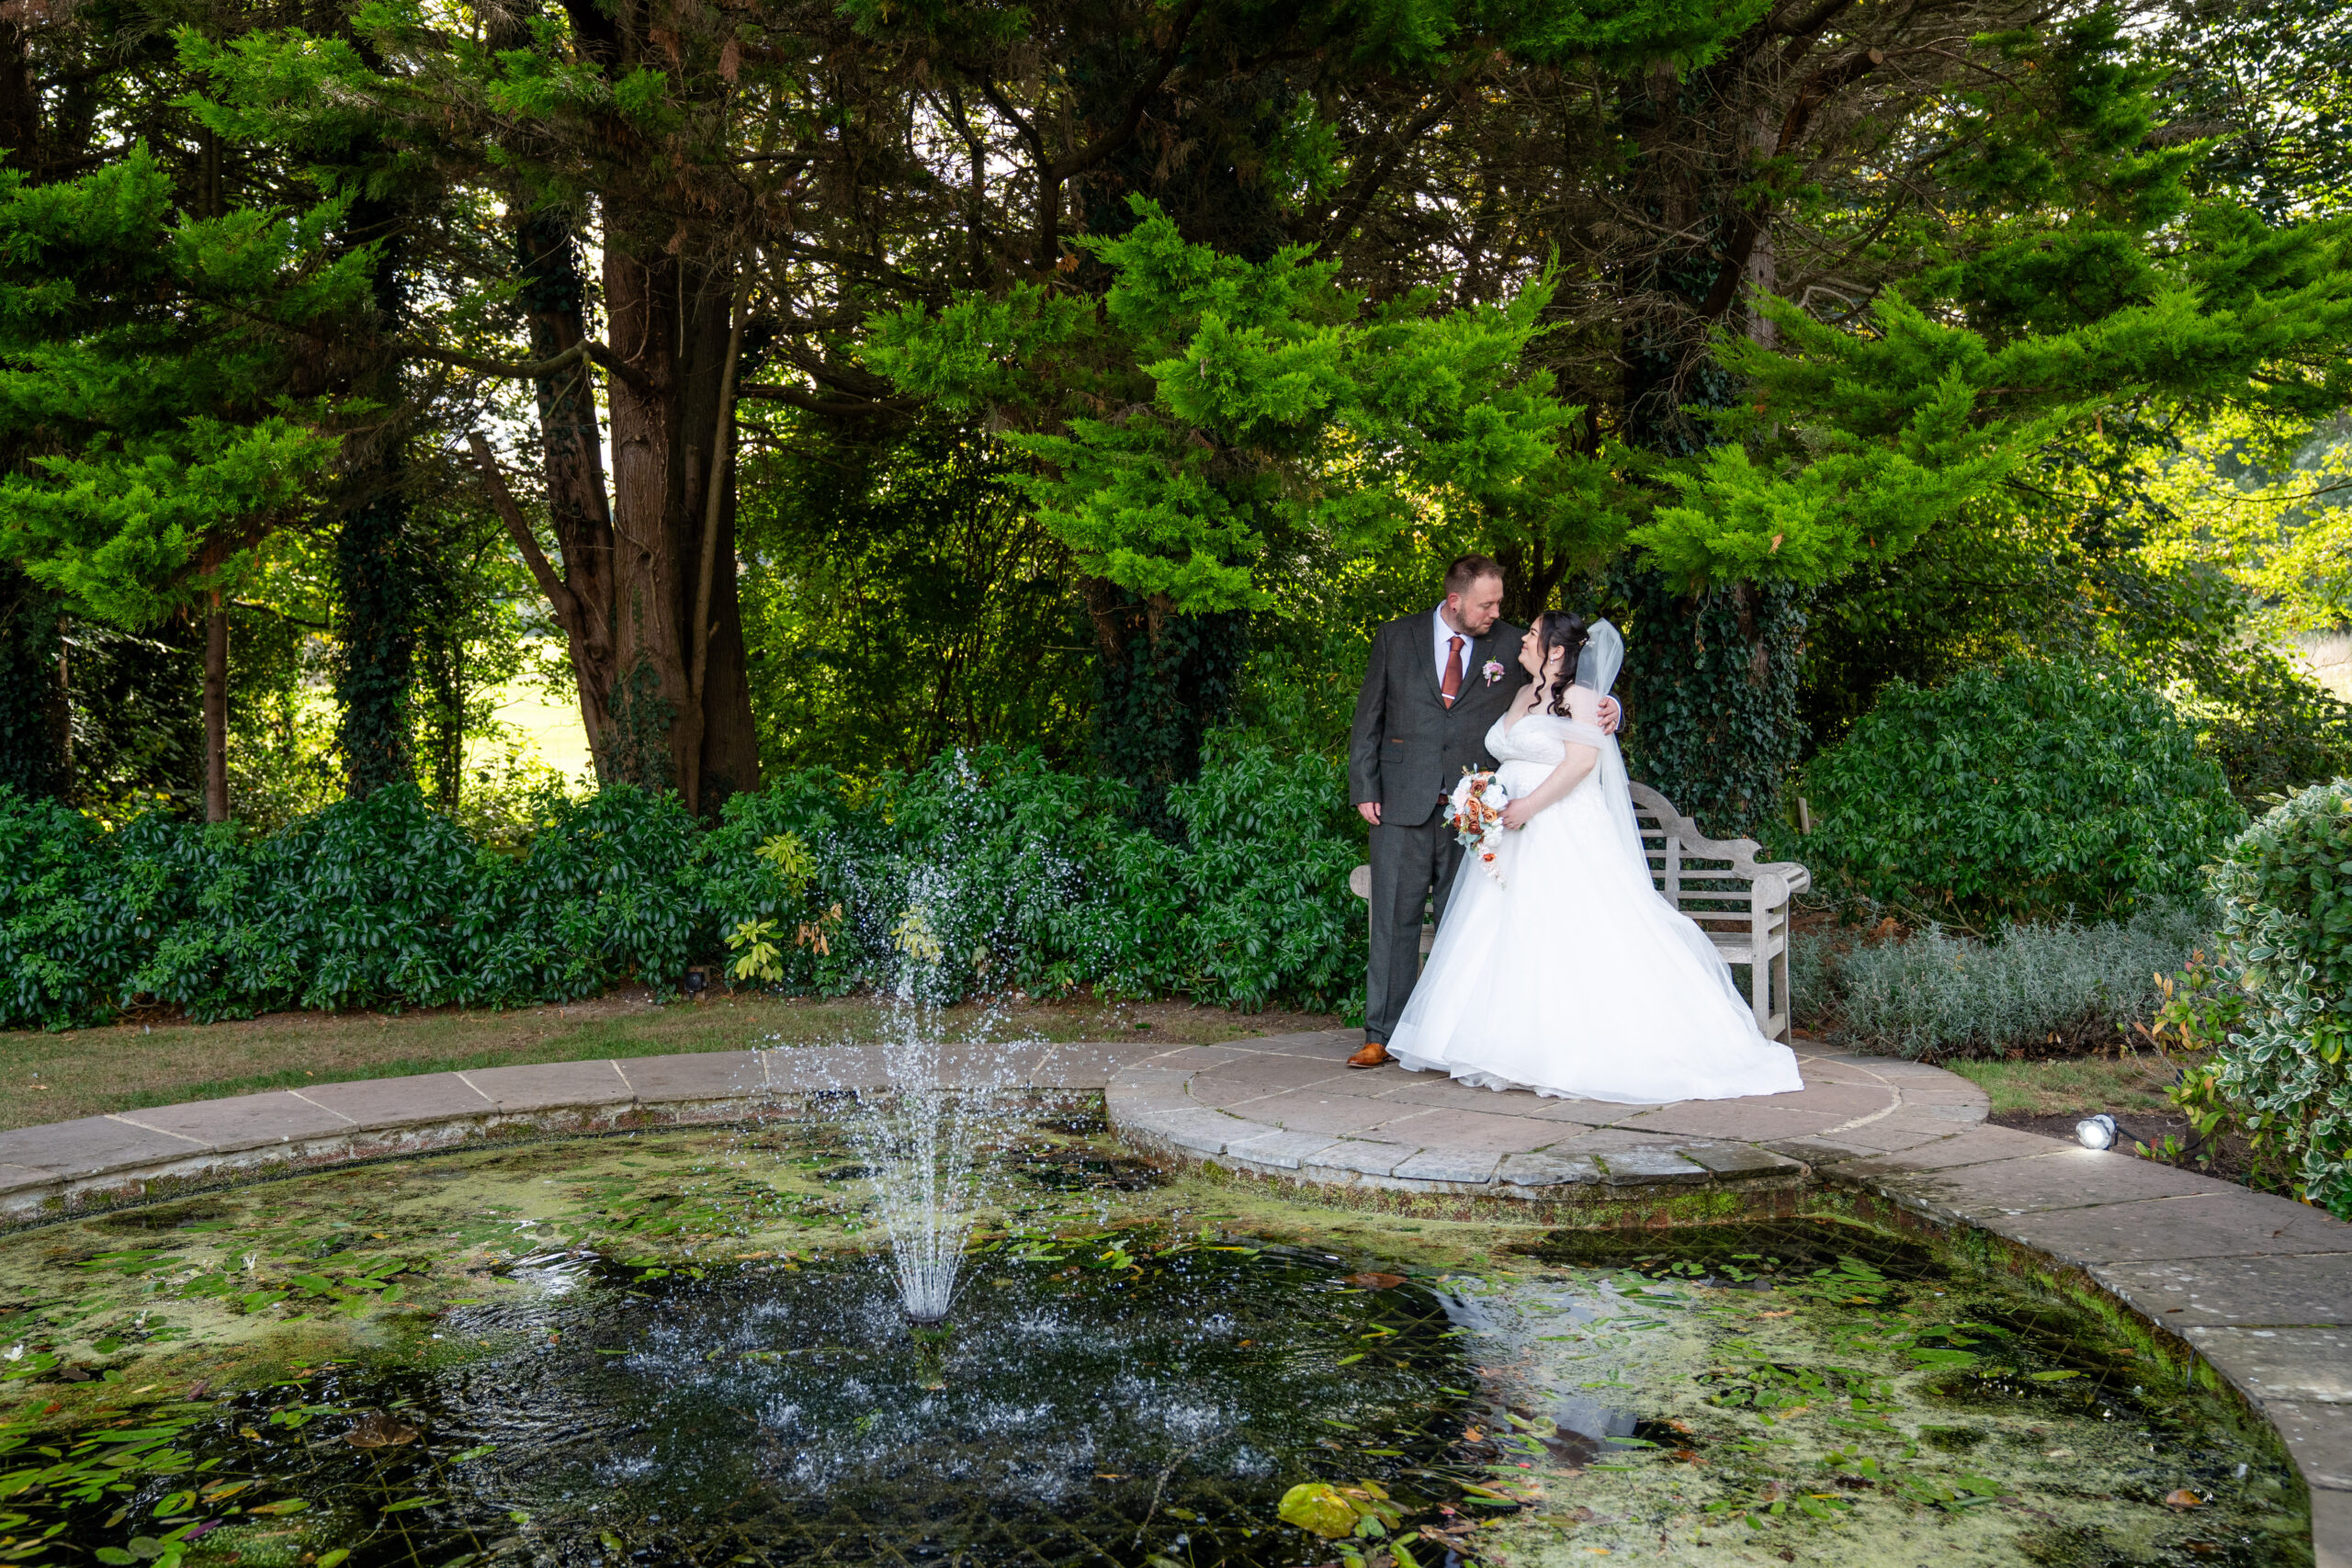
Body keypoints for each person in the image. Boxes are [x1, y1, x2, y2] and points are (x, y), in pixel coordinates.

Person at [1385, 611, 1804, 1102]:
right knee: (1504, 933)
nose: (1523, 639)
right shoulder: (1521, 693)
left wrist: (1527, 806)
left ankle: (1565, 1049)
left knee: (1568, 931)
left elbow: (1583, 761)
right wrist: (1487, 799)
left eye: (1533, 635)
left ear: (1556, 650)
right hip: (1509, 838)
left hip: (1559, 828)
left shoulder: (1579, 698)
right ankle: (1501, 1043)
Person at [1344, 556, 1616, 1068]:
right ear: (1455, 601)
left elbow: (1563, 683)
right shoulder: (1395, 637)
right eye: (1486, 604)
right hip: (1400, 799)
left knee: (1463, 926)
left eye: (1499, 603)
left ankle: (1449, 1037)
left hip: (1476, 812)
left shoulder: (1511, 645)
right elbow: (1369, 717)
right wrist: (1364, 786)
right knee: (1393, 921)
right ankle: (1381, 1034)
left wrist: (1611, 707)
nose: (1496, 612)